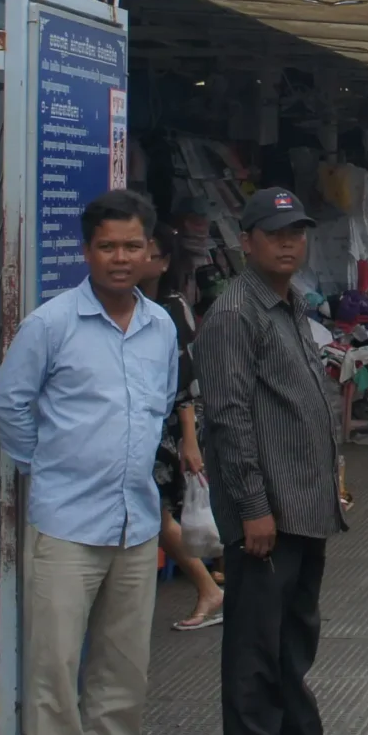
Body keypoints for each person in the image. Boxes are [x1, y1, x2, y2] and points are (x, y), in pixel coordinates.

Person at [0, 189, 188, 735]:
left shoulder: (160, 326)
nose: (121, 258)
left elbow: (157, 406)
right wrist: (48, 466)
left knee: (123, 666)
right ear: (87, 251)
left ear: (149, 251)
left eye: (133, 245)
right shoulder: (53, 324)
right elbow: (8, 404)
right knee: (54, 667)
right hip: (67, 524)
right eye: (108, 246)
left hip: (133, 521)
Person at [196, 186, 354, 735]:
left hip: (304, 505)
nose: (289, 243)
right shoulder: (236, 314)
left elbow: (301, 405)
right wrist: (254, 508)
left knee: (295, 631)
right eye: (275, 233)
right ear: (247, 241)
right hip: (268, 514)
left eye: (297, 232)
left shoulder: (287, 306)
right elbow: (228, 419)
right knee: (256, 640)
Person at [146, 236, 223, 631]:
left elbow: (184, 383)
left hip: (171, 427)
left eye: (147, 252)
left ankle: (209, 586)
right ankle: (210, 586)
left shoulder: (169, 309)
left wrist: (189, 439)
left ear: (162, 263)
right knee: (155, 514)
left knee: (157, 514)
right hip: (153, 426)